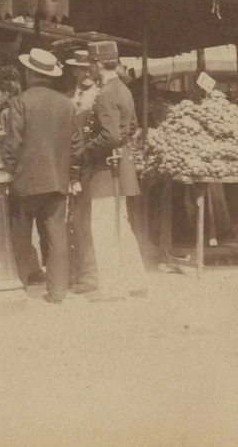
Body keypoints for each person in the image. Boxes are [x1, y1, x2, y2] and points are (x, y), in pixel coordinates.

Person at [2, 49, 84, 304]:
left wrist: (7, 171)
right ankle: (57, 292)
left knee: (20, 238)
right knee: (56, 238)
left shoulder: (21, 102)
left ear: (29, 73)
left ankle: (20, 287)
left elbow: (12, 144)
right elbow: (77, 146)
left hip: (24, 181)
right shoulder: (66, 104)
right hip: (57, 182)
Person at [85, 57, 148, 301]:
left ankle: (112, 287)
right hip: (121, 163)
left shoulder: (105, 93)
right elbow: (131, 127)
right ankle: (136, 280)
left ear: (98, 65)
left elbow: (109, 136)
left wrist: (86, 151)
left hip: (105, 169)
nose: (89, 70)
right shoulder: (124, 89)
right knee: (120, 224)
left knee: (103, 227)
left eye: (91, 65)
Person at [65, 49, 100, 295]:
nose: (86, 73)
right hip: (67, 167)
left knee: (87, 222)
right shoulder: (66, 99)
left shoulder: (102, 97)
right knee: (69, 221)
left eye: (90, 68)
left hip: (93, 168)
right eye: (81, 68)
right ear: (75, 70)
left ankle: (88, 274)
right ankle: (71, 272)